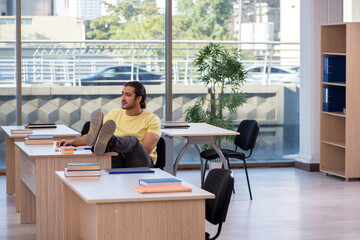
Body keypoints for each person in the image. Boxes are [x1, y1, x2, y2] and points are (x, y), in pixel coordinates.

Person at [56, 81, 161, 167]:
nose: (123, 98)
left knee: (133, 140)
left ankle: (110, 142)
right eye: (122, 94)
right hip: (117, 157)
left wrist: (120, 146)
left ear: (138, 98)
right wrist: (71, 142)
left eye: (128, 95)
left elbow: (146, 149)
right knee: (105, 144)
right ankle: (107, 144)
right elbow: (91, 137)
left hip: (141, 162)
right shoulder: (114, 114)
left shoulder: (152, 119)